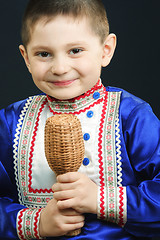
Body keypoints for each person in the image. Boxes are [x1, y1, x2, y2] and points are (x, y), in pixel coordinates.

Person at [0, 0, 160, 239]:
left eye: (75, 50)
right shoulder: (10, 122)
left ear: (106, 50)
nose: (60, 67)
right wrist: (37, 222)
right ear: (26, 58)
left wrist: (100, 199)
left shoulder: (131, 116)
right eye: (44, 54)